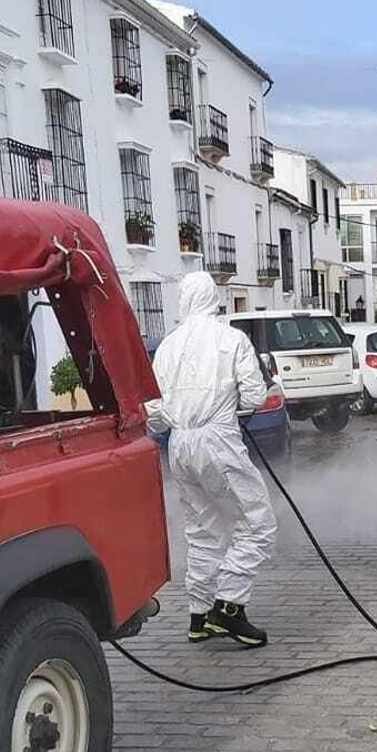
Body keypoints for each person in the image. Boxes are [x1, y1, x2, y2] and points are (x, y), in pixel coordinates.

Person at [146, 272, 277, 648]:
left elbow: (153, 411)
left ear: (184, 300)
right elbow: (253, 395)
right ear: (214, 299)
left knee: (202, 530)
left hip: (179, 444)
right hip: (217, 440)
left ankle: (199, 616)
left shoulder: (168, 346)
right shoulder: (231, 339)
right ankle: (229, 607)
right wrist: (229, 405)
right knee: (257, 523)